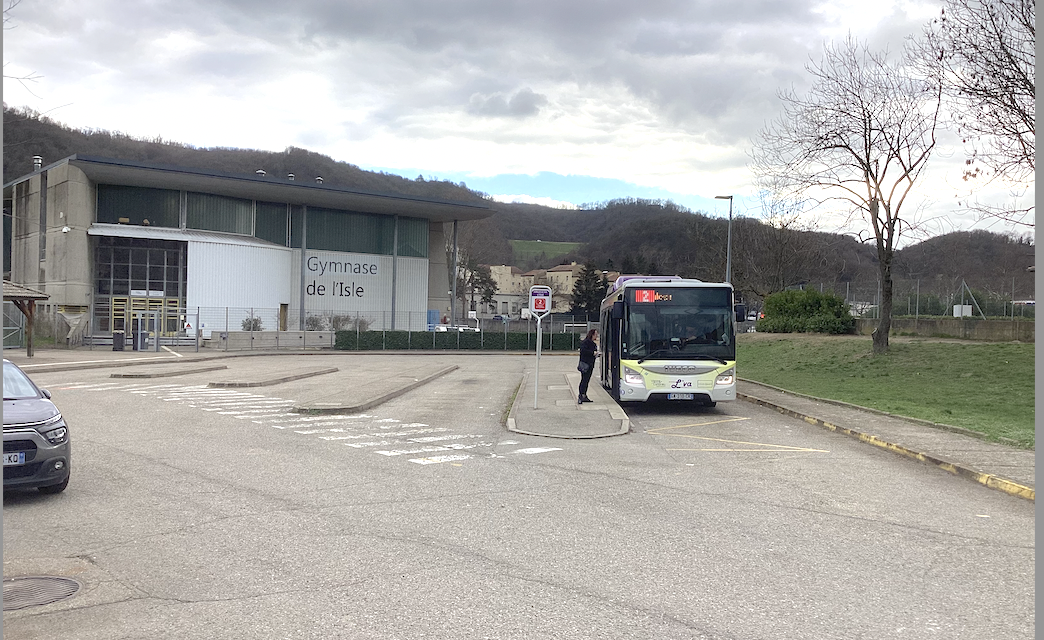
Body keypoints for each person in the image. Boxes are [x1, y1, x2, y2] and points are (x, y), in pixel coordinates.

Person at [577, 328, 599, 404]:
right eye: (595, 334)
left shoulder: (593, 344)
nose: (596, 336)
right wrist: (593, 353)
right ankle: (580, 395)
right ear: (592, 335)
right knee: (584, 380)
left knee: (586, 380)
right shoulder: (586, 342)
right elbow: (583, 351)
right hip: (585, 364)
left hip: (590, 365)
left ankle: (584, 395)